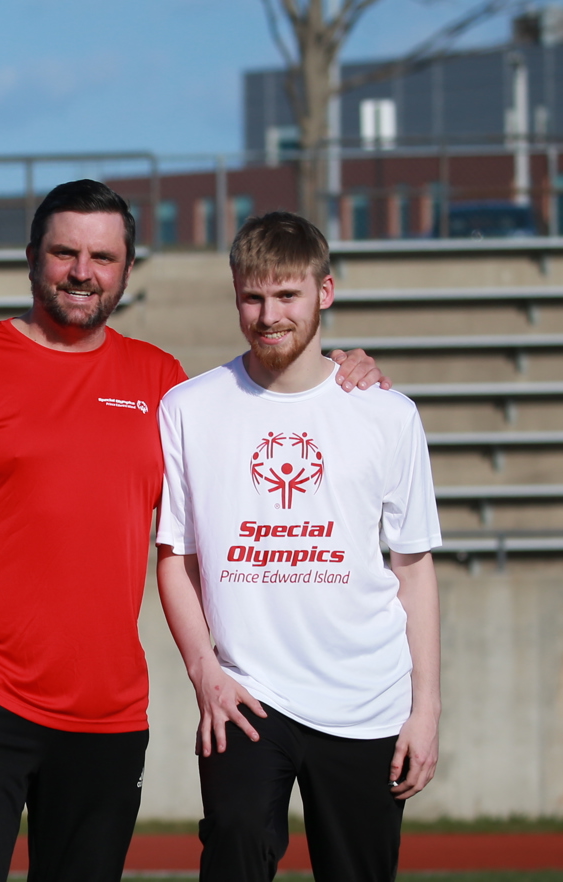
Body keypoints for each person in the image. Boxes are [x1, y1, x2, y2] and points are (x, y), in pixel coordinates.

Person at [0, 180, 386, 882]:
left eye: (102, 257)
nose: (82, 271)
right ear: (31, 258)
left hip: (106, 717)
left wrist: (341, 369)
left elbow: (262, 424)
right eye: (64, 253)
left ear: (126, 270)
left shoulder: (162, 383)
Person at [154, 212, 440, 882]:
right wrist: (205, 673)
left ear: (324, 292)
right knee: (233, 848)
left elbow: (414, 566)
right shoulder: (189, 407)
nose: (267, 315)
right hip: (247, 693)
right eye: (252, 297)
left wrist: (423, 709)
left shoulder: (386, 414)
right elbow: (175, 559)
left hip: (365, 697)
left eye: (286, 296)